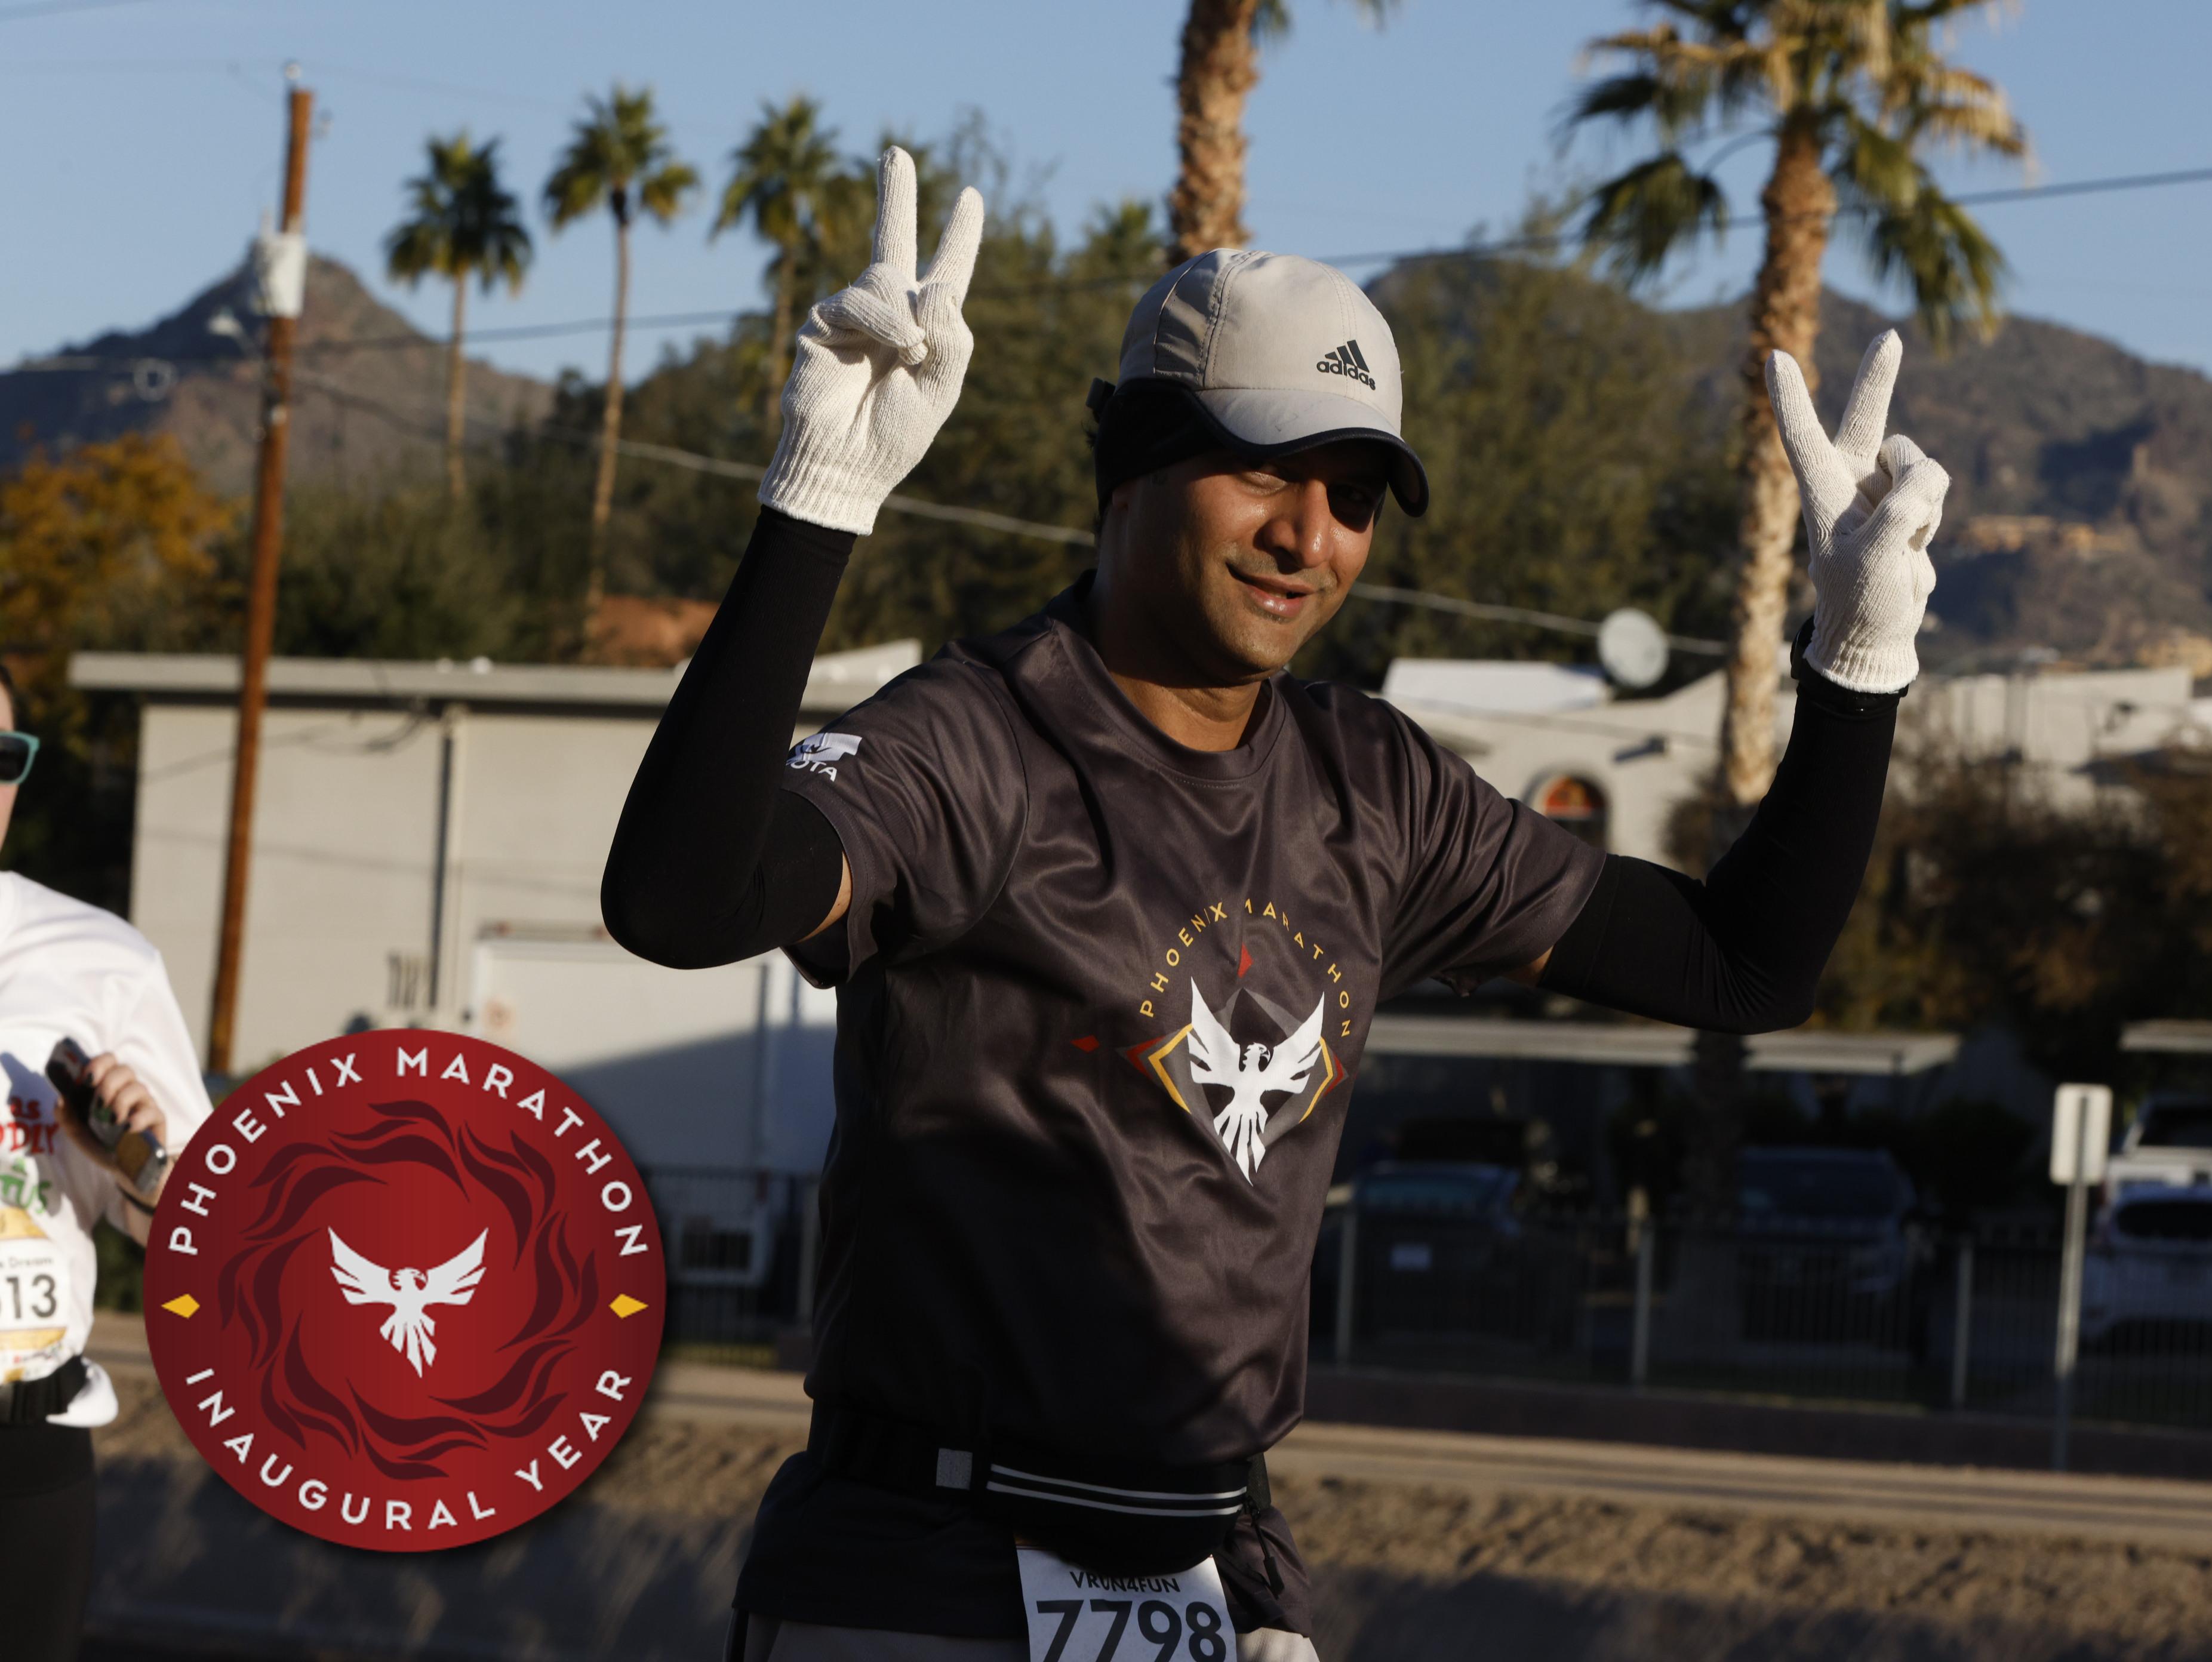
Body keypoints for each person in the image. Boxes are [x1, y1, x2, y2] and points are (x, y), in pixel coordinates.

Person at [603, 149, 1946, 1662]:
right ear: (1131, 466)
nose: (1311, 537)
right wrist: (818, 501)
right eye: (1266, 472)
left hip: (1214, 1585)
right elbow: (679, 901)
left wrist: (1857, 664)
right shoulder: (977, 740)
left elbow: (1741, 967)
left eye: (1353, 497)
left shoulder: (1374, 788)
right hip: (924, 1579)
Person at [0, 661, 213, 1662]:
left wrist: (142, 1164)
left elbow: (206, 1234)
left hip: (22, 1455)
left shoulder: (100, 961)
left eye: (3, 756)